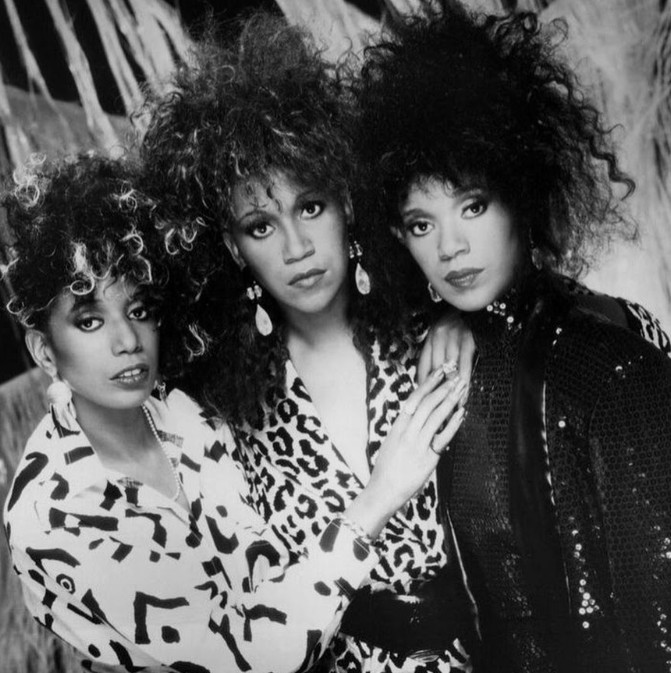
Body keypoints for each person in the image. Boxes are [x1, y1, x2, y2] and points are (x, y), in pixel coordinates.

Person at [1, 153, 466, 673]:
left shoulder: (189, 413)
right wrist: (379, 496)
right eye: (89, 321)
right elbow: (248, 656)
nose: (126, 341)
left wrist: (456, 317)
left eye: (139, 310)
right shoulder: (51, 511)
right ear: (44, 351)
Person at [140, 12, 474, 673]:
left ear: (346, 199)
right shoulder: (221, 412)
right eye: (261, 226)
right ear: (232, 245)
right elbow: (239, 619)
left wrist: (462, 319)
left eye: (310, 206)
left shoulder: (429, 332)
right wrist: (377, 497)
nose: (295, 247)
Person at [355, 3, 671, 672]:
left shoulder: (611, 369)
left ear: (522, 193)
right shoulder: (437, 361)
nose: (450, 246)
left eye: (472, 204)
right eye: (421, 223)